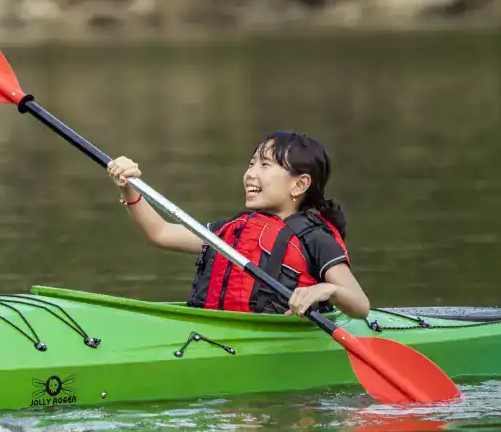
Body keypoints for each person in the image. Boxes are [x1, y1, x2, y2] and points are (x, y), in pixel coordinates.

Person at [106, 131, 370, 319]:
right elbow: (160, 232)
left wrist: (327, 289)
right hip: (216, 333)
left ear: (300, 184)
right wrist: (129, 187)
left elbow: (360, 305)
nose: (250, 174)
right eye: (251, 163)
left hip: (278, 339)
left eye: (265, 165)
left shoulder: (315, 238)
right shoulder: (232, 229)